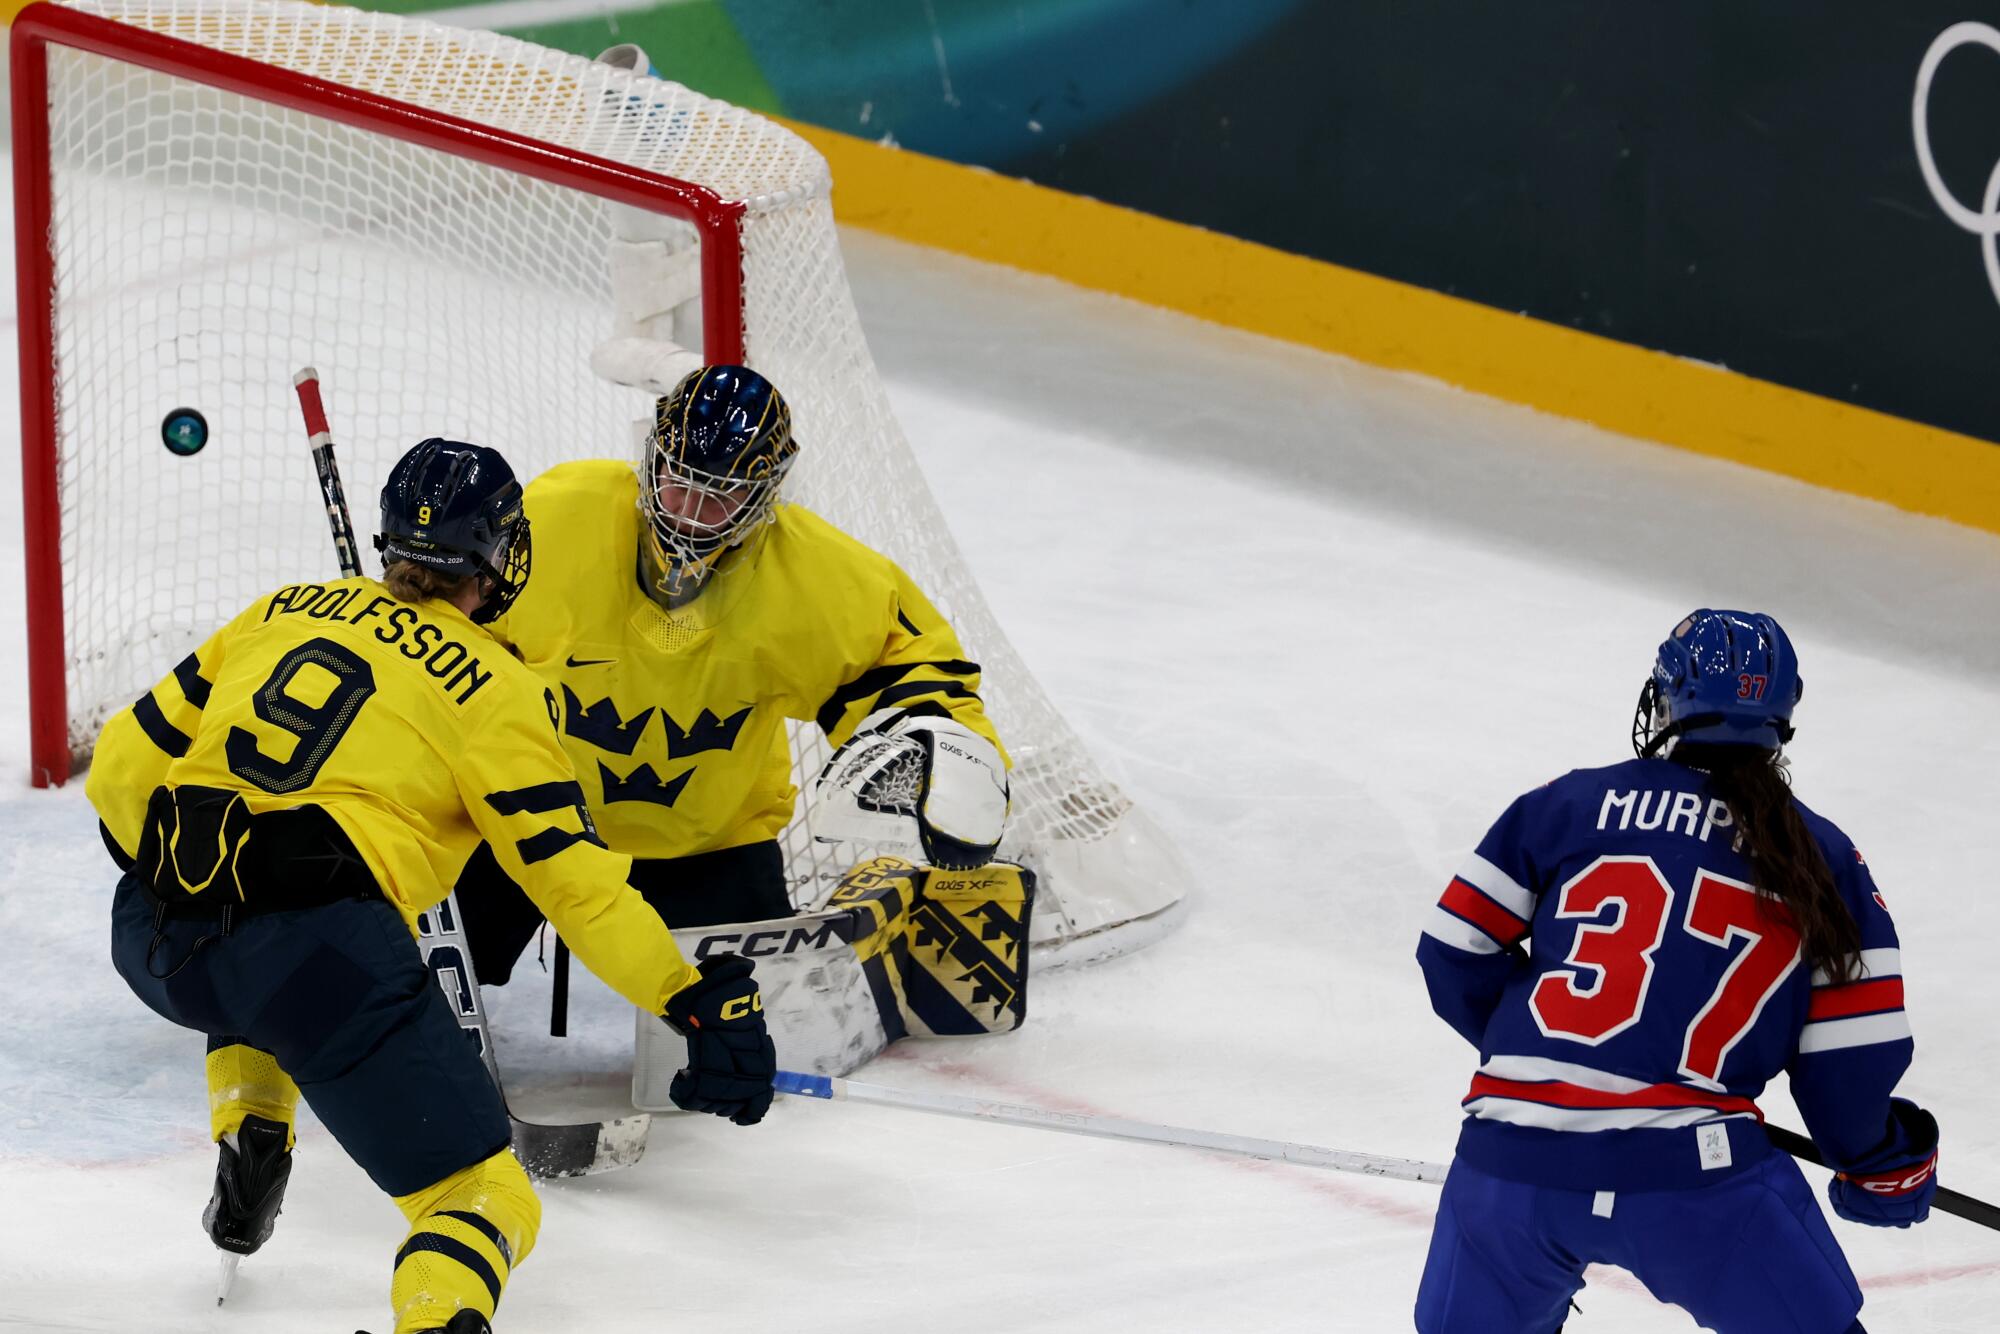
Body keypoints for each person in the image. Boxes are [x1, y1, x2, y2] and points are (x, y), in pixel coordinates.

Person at [87, 438, 777, 1334]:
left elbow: (119, 770)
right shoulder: (499, 689)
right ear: (500, 554)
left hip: (150, 934)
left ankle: (252, 1120)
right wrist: (684, 993)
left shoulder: (284, 607)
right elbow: (579, 888)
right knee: (482, 1195)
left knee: (243, 929)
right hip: (314, 962)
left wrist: (176, 877)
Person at [1413, 609, 1938, 1334]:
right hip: (1696, 1186)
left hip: (1509, 1167)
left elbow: (1452, 950)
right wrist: (1883, 1169)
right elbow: (1850, 1058)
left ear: (1667, 700)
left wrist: (1544, 1053)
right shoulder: (1823, 858)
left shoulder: (1566, 805)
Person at [460, 362, 1017, 983]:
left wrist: (953, 752)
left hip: (711, 844)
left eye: (721, 494)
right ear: (651, 461)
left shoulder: (813, 578)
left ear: (765, 493)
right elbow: (452, 626)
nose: (691, 514)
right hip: (533, 819)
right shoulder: (555, 519)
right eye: (679, 483)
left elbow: (913, 666)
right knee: (411, 977)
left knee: (755, 1028)